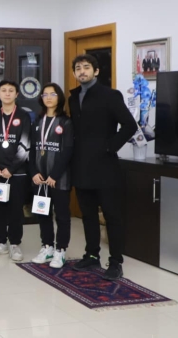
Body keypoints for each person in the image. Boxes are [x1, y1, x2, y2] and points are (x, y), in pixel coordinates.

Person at [69, 54, 137, 280]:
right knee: (88, 215)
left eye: (86, 67)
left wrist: (110, 147)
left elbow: (129, 125)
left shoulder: (110, 95)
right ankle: (91, 255)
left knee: (112, 215)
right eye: (78, 68)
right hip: (81, 165)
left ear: (96, 71)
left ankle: (116, 262)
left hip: (106, 166)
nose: (82, 71)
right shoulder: (73, 97)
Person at [0, 80, 31, 261]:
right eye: (4, 90)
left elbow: (25, 145)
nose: (7, 93)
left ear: (17, 94)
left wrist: (11, 168)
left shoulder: (24, 116)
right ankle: (0, 242)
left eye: (11, 90)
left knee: (15, 209)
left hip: (16, 172)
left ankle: (15, 244)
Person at [29, 83, 74, 268]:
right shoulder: (37, 121)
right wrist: (34, 172)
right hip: (40, 178)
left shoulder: (66, 122)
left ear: (59, 97)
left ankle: (60, 250)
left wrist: (54, 175)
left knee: (62, 215)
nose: (48, 97)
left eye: (52, 94)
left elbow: (68, 150)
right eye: (45, 94)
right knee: (43, 213)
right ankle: (47, 247)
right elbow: (32, 149)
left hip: (59, 178)